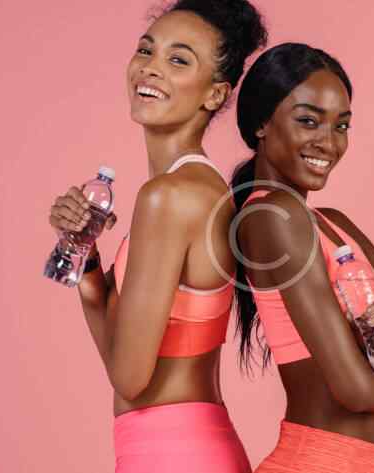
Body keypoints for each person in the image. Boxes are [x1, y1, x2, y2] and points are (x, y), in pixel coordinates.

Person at [47, 2, 266, 471]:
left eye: (178, 59)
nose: (151, 67)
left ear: (215, 94)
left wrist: (87, 271)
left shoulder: (170, 196)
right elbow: (128, 355)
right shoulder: (195, 187)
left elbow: (129, 378)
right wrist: (83, 253)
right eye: (146, 50)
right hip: (179, 446)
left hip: (174, 452)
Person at [230, 43, 374, 473]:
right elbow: (357, 391)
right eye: (308, 120)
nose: (328, 142)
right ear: (262, 122)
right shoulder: (273, 217)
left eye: (342, 125)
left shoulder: (332, 224)